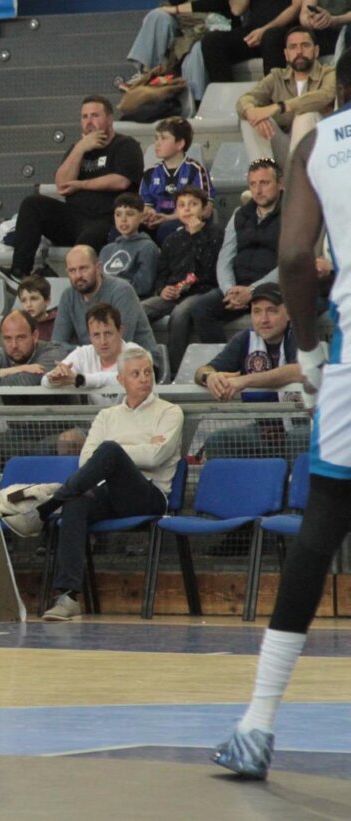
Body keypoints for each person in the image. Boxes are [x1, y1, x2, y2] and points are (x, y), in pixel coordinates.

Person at [211, 49, 351, 782]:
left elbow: (294, 256)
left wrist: (309, 345)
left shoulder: (319, 143)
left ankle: (258, 722)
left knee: (323, 522)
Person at [34, 346, 183, 621]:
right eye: (136, 374)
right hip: (110, 492)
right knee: (77, 500)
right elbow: (85, 462)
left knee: (111, 451)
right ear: (120, 380)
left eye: (148, 373)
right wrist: (134, 448)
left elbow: (155, 456)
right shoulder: (107, 416)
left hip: (149, 493)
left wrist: (118, 451)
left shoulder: (170, 412)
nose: (144, 379)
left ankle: (47, 507)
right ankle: (68, 597)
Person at [1, 96, 145, 282]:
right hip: (74, 216)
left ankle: (81, 289)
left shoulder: (126, 145)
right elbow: (62, 184)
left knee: (86, 242)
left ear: (109, 119)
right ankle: (19, 273)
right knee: (32, 204)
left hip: (106, 217)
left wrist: (81, 184)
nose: (89, 121)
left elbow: (121, 181)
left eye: (95, 115)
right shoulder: (78, 148)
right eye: (84, 117)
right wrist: (79, 149)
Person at [193, 282, 307, 459]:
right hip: (266, 432)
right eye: (257, 311)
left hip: (306, 425)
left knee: (298, 438)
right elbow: (201, 371)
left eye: (272, 311)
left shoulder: (300, 334)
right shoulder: (245, 338)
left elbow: (298, 370)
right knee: (218, 441)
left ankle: (294, 486)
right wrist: (210, 377)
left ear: (289, 313)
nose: (264, 319)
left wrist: (245, 380)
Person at [190, 157, 285, 349]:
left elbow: (288, 265)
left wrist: (252, 291)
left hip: (272, 287)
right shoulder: (240, 214)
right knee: (200, 308)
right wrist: (229, 290)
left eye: (265, 183)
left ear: (280, 184)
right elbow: (225, 257)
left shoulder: (292, 214)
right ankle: (223, 363)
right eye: (253, 184)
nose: (258, 190)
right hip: (236, 288)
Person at [142, 185, 224, 375]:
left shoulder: (215, 234)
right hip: (173, 294)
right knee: (141, 309)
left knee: (180, 314)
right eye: (182, 205)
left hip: (203, 292)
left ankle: (174, 371)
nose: (187, 209)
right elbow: (162, 272)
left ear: (204, 209)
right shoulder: (172, 239)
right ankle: (147, 363)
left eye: (193, 204)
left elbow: (208, 270)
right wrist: (163, 289)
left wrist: (196, 237)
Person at [193, 0, 300, 100]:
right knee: (212, 41)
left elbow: (296, 6)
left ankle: (273, 101)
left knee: (271, 37)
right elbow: (236, 9)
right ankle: (226, 101)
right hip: (254, 31)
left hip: (283, 31)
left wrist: (265, 29)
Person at [236, 26, 335, 168]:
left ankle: (296, 182)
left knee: (305, 116)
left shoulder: (329, 73)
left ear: (316, 50)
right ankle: (264, 180)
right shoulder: (277, 77)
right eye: (293, 47)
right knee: (251, 120)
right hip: (286, 151)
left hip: (321, 153)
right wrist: (251, 112)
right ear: (286, 54)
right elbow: (245, 99)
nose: (299, 52)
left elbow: (325, 95)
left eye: (305, 45)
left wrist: (279, 107)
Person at [124, 0, 236, 77]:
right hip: (182, 21)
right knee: (157, 15)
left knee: (196, 51)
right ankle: (146, 73)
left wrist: (176, 9)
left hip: (210, 25)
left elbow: (214, 2)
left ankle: (194, 93)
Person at [52, 245, 158, 354]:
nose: (78, 275)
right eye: (72, 270)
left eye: (83, 268)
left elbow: (119, 343)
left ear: (98, 267)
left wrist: (80, 355)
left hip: (137, 362)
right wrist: (83, 357)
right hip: (90, 364)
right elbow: (57, 345)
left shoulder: (122, 291)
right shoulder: (68, 296)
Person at [42, 303, 142, 405]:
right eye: (96, 335)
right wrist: (56, 377)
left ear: (120, 331)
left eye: (108, 333)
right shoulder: (83, 353)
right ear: (90, 336)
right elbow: (45, 381)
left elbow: (123, 378)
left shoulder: (135, 352)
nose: (103, 341)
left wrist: (80, 379)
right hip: (98, 419)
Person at [138, 116, 215, 243]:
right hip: (158, 222)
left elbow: (205, 211)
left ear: (180, 143)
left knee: (166, 229)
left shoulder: (196, 170)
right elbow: (146, 205)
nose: (157, 143)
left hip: (183, 222)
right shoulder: (150, 173)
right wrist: (149, 214)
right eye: (156, 138)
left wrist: (168, 218)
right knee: (129, 229)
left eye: (163, 138)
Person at [0, 309, 70, 389]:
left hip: (61, 421)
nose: (14, 345)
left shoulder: (53, 351)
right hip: (19, 421)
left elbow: (29, 380)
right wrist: (13, 370)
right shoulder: (3, 356)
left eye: (20, 337)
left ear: (35, 336)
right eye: (7, 338)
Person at [99, 193, 160, 298]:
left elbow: (143, 287)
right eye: (118, 214)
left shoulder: (147, 247)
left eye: (130, 214)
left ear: (141, 217)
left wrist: (111, 291)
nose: (123, 219)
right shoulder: (106, 249)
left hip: (130, 300)